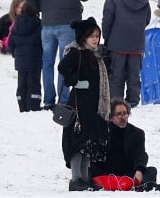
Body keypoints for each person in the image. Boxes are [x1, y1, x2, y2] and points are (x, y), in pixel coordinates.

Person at [57, 17, 110, 191]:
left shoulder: (96, 54)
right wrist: (75, 81)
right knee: (78, 142)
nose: (95, 39)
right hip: (80, 104)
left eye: (97, 35)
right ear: (83, 37)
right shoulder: (76, 52)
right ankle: (75, 179)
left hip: (94, 104)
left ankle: (85, 178)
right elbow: (62, 68)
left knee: (89, 142)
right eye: (91, 36)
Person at [26, 0, 89, 110]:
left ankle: (48, 101)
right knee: (65, 62)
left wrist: (42, 7)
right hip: (69, 20)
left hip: (47, 21)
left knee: (47, 64)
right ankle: (63, 100)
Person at [90, 98, 157, 190]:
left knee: (151, 171)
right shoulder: (102, 132)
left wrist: (139, 170)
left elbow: (140, 154)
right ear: (111, 117)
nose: (123, 117)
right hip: (104, 172)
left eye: (125, 114)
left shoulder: (137, 133)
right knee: (87, 171)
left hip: (127, 173)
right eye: (119, 114)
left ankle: (140, 186)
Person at [102, 0, 151, 108]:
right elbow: (147, 20)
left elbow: (107, 20)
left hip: (117, 42)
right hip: (136, 43)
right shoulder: (144, 1)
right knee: (134, 74)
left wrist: (106, 37)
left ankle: (116, 100)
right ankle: (133, 100)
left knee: (116, 74)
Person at [8, 1, 42, 112]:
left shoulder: (16, 24)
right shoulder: (38, 24)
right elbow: (42, 42)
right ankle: (33, 106)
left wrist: (16, 54)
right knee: (34, 84)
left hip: (20, 61)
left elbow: (11, 42)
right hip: (35, 60)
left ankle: (22, 105)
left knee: (21, 83)